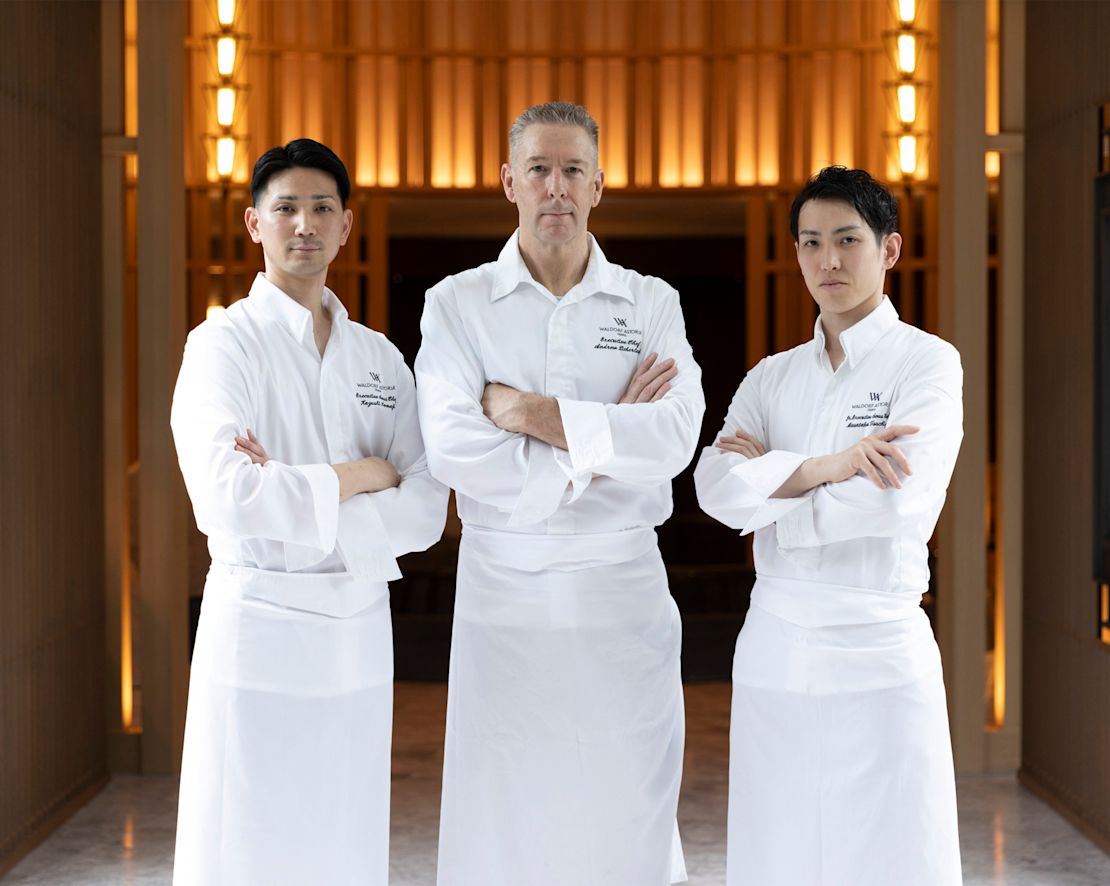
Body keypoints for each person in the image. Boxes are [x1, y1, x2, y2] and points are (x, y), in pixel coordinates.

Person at [415, 101, 704, 886]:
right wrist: (607, 436)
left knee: (629, 785)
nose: (556, 188)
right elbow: (453, 449)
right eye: (538, 169)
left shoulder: (650, 302)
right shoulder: (457, 304)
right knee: (503, 794)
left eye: (573, 169)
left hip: (624, 586)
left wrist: (528, 413)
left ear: (600, 184)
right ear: (509, 181)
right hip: (501, 586)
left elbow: (674, 438)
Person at [170, 138, 447, 886]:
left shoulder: (382, 361)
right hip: (258, 623)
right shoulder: (223, 343)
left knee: (345, 839)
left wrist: (297, 487)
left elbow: (424, 508)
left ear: (346, 225)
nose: (305, 224)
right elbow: (224, 493)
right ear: (255, 224)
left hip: (357, 630)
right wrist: (361, 474)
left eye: (322, 208)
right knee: (249, 839)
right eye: (286, 207)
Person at [694, 165, 963, 885]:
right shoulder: (771, 377)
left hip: (879, 645)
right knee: (777, 850)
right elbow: (715, 490)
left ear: (890, 250)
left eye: (848, 239)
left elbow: (896, 501)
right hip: (775, 646)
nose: (828, 260)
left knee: (891, 852)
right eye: (811, 242)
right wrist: (824, 467)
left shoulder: (928, 364)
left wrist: (774, 497)